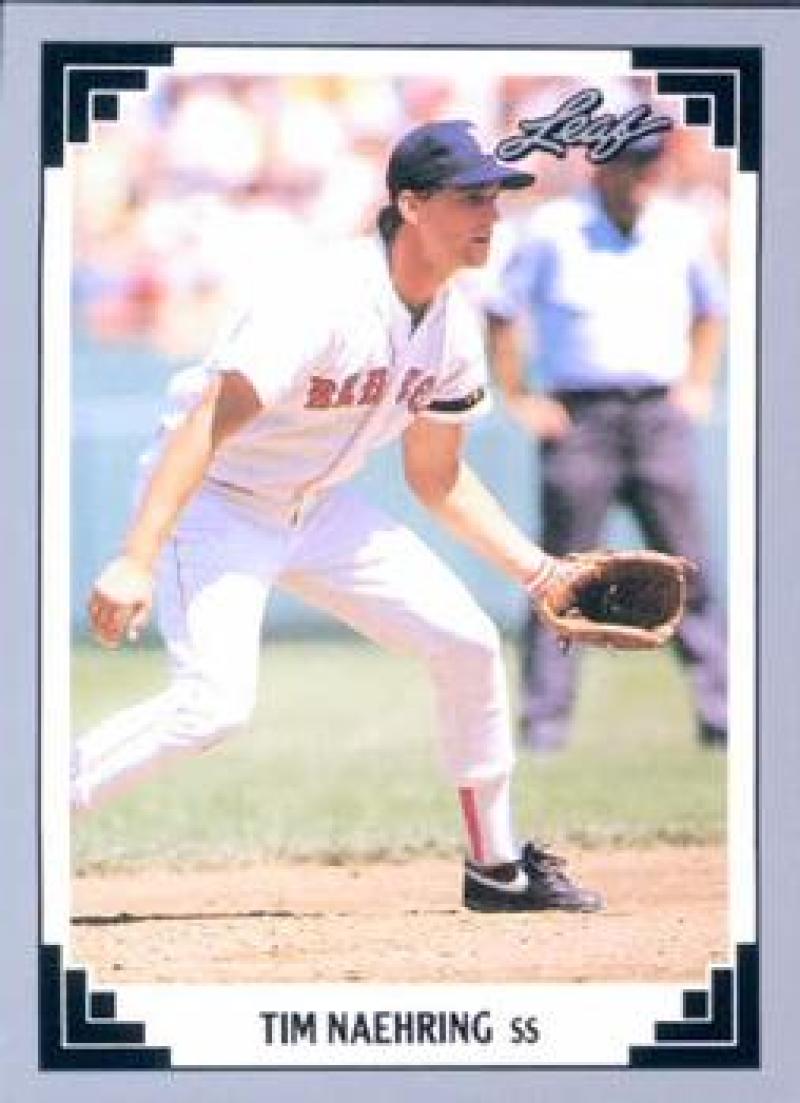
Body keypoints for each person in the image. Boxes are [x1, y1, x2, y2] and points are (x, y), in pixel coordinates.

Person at [71, 120, 603, 913]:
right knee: (214, 704)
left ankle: (495, 868)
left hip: (314, 509)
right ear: (410, 204)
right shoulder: (321, 298)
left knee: (467, 642)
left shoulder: (454, 327)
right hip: (217, 502)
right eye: (469, 197)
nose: (490, 214)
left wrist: (538, 571)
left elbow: (437, 478)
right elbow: (205, 423)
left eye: (495, 196)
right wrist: (136, 557)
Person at [487, 131, 728, 752]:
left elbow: (712, 309)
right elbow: (501, 309)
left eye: (651, 163)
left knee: (688, 570)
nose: (643, 176)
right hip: (581, 418)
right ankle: (545, 726)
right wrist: (517, 397)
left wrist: (699, 383)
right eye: (631, 163)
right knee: (560, 575)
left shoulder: (680, 229)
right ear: (602, 168)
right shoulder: (552, 230)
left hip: (657, 414)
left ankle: (722, 714)